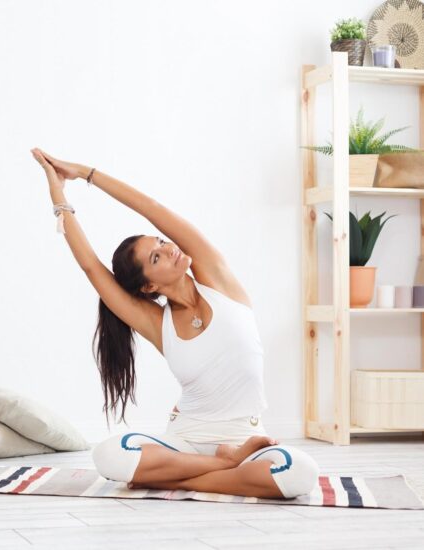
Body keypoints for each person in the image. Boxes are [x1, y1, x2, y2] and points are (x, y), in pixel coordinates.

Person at [30, 148, 319, 499]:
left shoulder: (217, 280)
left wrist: (84, 172)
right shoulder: (157, 322)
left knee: (300, 474)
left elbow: (151, 208)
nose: (168, 249)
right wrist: (57, 193)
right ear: (149, 286)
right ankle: (228, 467)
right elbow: (91, 266)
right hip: (183, 441)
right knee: (108, 455)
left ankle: (179, 478)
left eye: (162, 242)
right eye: (156, 257)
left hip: (246, 437)